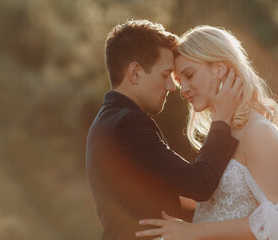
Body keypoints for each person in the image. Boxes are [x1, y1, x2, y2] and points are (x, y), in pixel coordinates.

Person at [135, 26, 278, 239]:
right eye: (179, 81)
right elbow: (218, 204)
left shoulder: (259, 132)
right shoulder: (223, 134)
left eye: (189, 75)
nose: (183, 90)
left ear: (220, 69)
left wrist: (192, 232)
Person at [86, 20, 243, 240]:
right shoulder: (126, 125)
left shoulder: (112, 120)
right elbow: (200, 184)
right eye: (165, 74)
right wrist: (222, 119)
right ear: (135, 73)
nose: (172, 86)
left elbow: (163, 195)